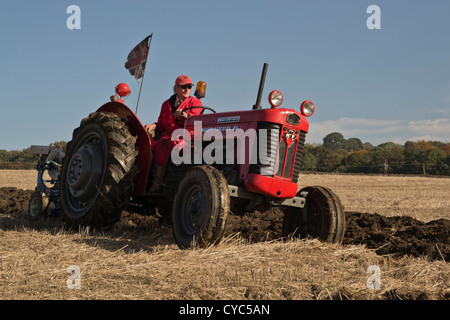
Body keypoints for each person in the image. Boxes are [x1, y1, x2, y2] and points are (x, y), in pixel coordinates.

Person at [145, 75, 202, 193]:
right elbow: (161, 124)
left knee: (163, 145)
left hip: (185, 138)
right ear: (176, 88)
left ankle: (157, 184)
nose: (187, 89)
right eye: (183, 87)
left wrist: (184, 115)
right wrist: (154, 125)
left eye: (189, 87)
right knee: (147, 147)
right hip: (168, 136)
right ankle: (148, 181)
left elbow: (196, 118)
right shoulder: (166, 104)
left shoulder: (195, 102)